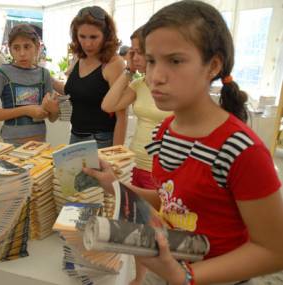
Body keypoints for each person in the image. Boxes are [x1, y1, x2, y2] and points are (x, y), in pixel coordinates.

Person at [84, 1, 283, 285]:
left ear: (213, 65)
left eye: (175, 61)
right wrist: (115, 185)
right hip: (168, 266)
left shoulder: (242, 149)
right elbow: (171, 201)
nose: (156, 77)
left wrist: (187, 276)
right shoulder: (165, 131)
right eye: (151, 61)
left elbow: (274, 250)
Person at [102, 27, 171, 285]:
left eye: (139, 51)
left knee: (160, 231)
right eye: (132, 51)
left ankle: (162, 277)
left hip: (164, 169)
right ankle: (140, 277)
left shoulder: (169, 85)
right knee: (138, 228)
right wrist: (128, 69)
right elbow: (108, 105)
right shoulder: (139, 85)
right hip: (137, 163)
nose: (135, 55)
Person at [59, 6, 126, 148]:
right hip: (75, 136)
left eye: (94, 37)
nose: (88, 44)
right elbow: (75, 91)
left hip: (100, 140)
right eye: (82, 37)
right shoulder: (79, 58)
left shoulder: (114, 63)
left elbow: (122, 116)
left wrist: (116, 154)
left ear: (106, 36)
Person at [0, 24, 59, 146]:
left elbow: (52, 117)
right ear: (10, 49)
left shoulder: (43, 74)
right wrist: (26, 110)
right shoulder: (2, 73)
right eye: (16, 48)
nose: (22, 53)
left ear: (37, 47)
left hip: (39, 143)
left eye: (27, 46)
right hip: (11, 144)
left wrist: (54, 110)